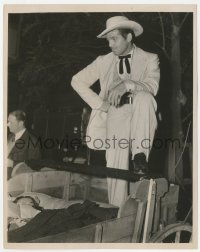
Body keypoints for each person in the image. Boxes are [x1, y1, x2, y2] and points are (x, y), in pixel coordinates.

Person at [71, 16, 160, 206]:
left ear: (128, 37)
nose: (110, 44)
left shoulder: (150, 58)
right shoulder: (103, 61)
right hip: (115, 114)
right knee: (116, 168)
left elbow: (152, 86)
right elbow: (77, 81)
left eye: (114, 39)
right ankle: (117, 211)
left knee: (145, 97)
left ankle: (140, 156)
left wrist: (127, 85)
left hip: (141, 115)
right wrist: (100, 104)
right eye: (108, 40)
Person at [7, 110, 41, 179]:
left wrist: (13, 164)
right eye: (8, 122)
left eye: (11, 122)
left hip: (17, 181)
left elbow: (34, 166)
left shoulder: (32, 141)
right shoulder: (9, 137)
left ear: (20, 123)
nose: (7, 125)